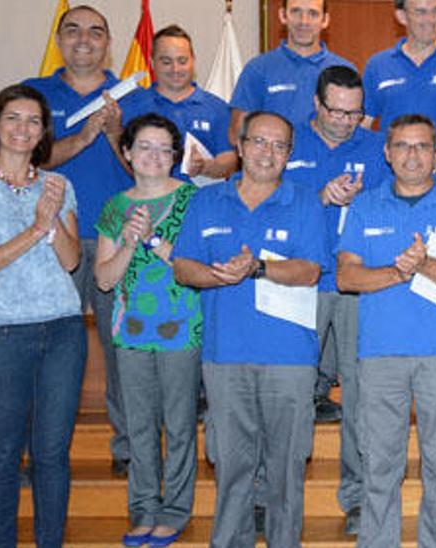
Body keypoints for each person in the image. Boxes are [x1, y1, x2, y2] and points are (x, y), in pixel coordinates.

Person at [172, 111, 326, 548]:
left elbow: (311, 269)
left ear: (289, 156)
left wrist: (258, 267)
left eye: (279, 146)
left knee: (285, 471)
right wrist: (218, 275)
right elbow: (183, 267)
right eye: (259, 142)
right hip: (225, 356)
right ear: (239, 146)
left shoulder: (305, 202)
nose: (268, 153)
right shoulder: (205, 201)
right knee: (232, 468)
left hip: (290, 360)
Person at [336, 114, 436, 548]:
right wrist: (399, 274)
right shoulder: (364, 205)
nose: (411, 156)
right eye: (402, 146)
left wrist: (423, 265)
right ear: (387, 152)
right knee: (380, 464)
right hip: (380, 353)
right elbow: (346, 277)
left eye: (421, 147)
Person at [0, 84, 84, 548]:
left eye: (33, 121)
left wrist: (52, 219)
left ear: (43, 132)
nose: (23, 129)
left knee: (52, 453)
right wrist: (37, 227)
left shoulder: (59, 186)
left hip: (62, 329)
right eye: (13, 118)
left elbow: (73, 261)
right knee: (2, 452)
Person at [23, 3, 134, 476]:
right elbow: (27, 158)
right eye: (72, 31)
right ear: (60, 40)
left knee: (122, 351)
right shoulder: (34, 94)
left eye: (95, 32)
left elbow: (147, 169)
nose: (83, 39)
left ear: (108, 43)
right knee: (50, 349)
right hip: (54, 240)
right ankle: (41, 452)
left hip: (116, 242)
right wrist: (86, 136)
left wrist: (114, 134)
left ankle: (129, 449)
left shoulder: (132, 95)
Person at [93, 114, 202, 548]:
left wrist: (155, 240)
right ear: (126, 152)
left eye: (164, 149)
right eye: (144, 147)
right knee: (139, 426)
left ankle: (175, 509)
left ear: (175, 157)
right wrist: (129, 242)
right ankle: (143, 509)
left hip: (182, 329)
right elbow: (103, 278)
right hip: (131, 332)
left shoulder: (193, 199)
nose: (154, 157)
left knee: (178, 425)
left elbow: (196, 265)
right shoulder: (116, 207)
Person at [284, 63, 384, 534]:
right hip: (301, 284)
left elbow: (391, 208)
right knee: (290, 393)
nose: (346, 122)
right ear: (317, 106)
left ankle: (359, 498)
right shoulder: (286, 144)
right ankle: (277, 495)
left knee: (362, 396)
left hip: (354, 285)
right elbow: (266, 204)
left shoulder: (376, 149)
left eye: (355, 113)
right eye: (337, 112)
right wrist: (318, 199)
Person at [120, 25, 237, 184]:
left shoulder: (217, 108)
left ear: (193, 60)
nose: (175, 69)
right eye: (166, 61)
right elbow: (119, 158)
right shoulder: (131, 105)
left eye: (182, 61)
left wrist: (206, 166)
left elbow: (230, 160)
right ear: (152, 62)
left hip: (199, 204)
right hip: (147, 205)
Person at [230, 0, 354, 140]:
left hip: (329, 160)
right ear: (283, 15)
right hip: (275, 161)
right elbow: (237, 135)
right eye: (296, 12)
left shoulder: (345, 70)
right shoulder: (258, 69)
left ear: (325, 20)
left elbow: (354, 129)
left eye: (313, 13)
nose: (304, 21)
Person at [363, 0, 436, 150]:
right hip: (391, 171)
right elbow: (364, 125)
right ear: (401, 16)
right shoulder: (377, 65)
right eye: (421, 12)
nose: (430, 19)